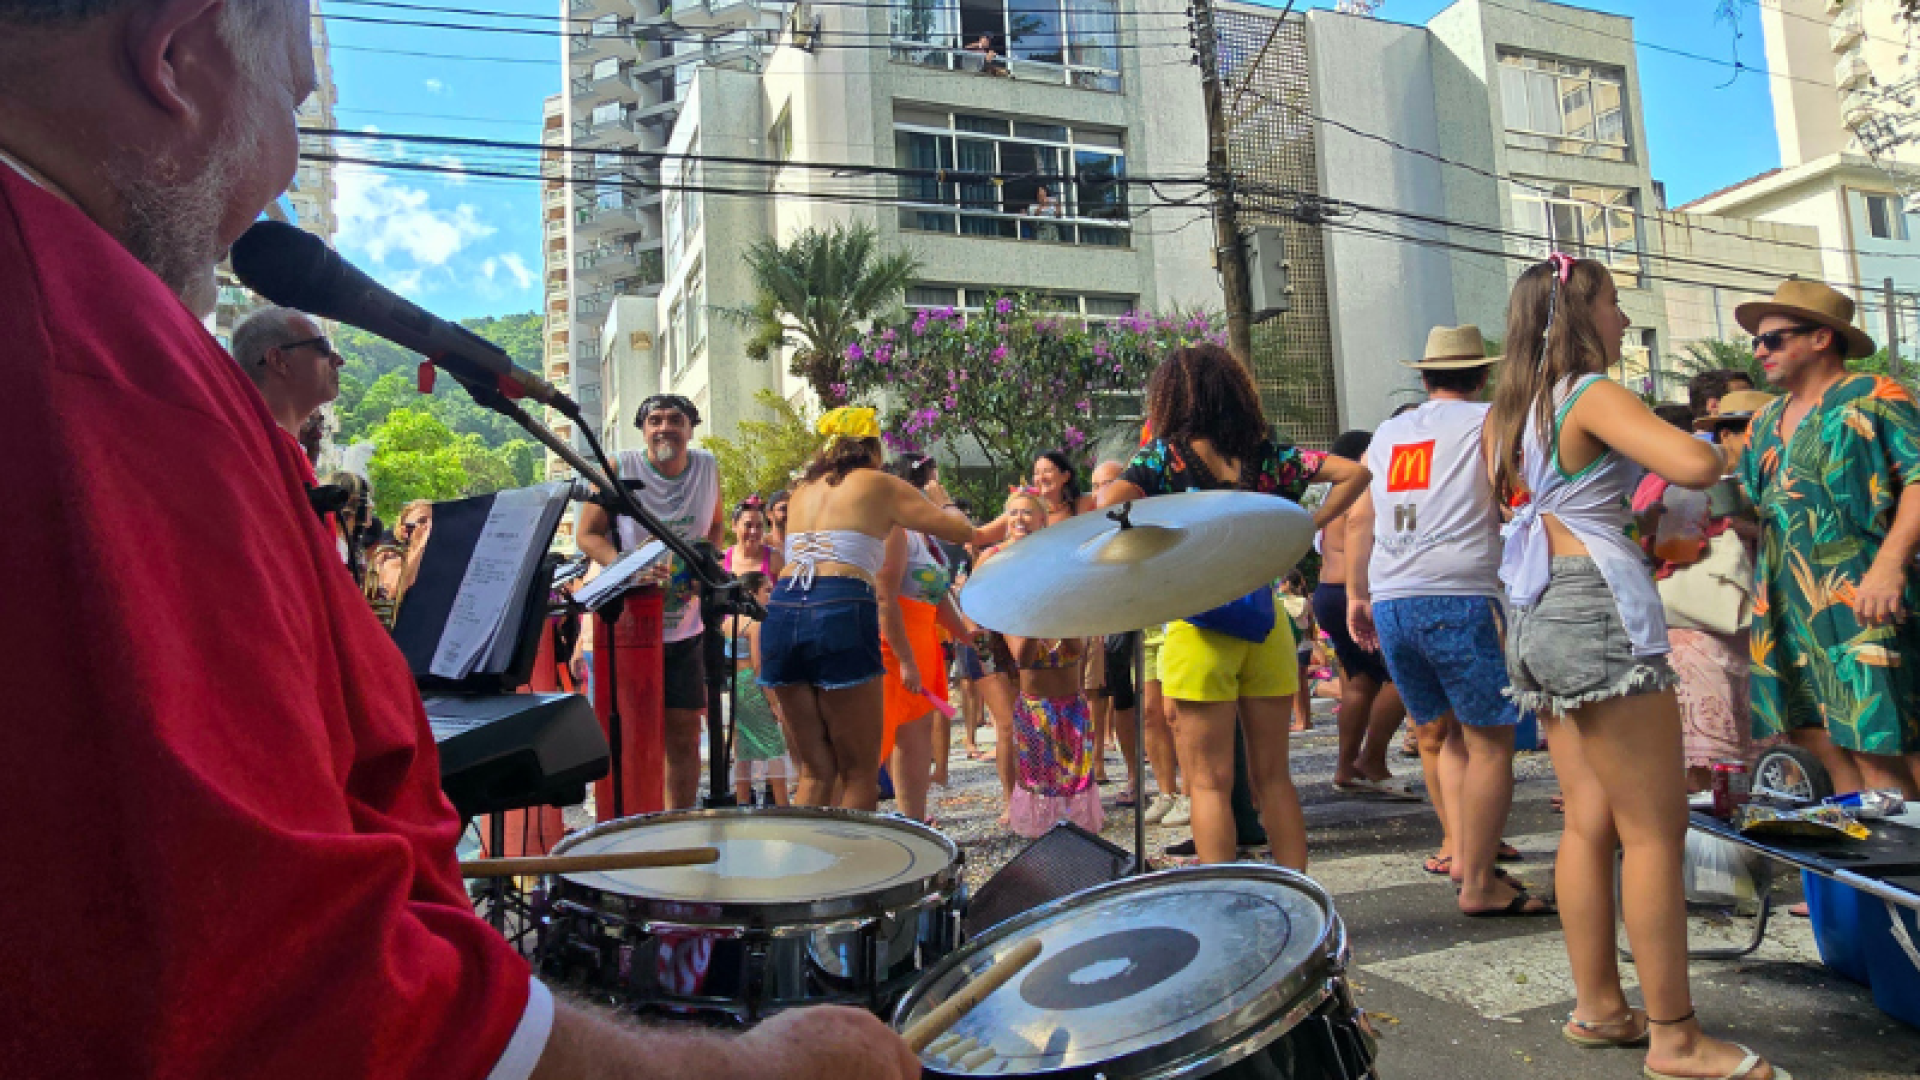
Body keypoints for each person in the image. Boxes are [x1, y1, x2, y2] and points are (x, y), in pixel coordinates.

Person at [0, 2, 917, 1078]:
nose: (284, 168)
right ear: (171, 56)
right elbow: (276, 980)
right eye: (293, 101)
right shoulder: (92, 355)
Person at [1490, 254, 1785, 1080]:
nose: (1624, 321)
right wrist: (1719, 433)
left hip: (1535, 607)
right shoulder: (1590, 393)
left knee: (1588, 820)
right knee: (1656, 830)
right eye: (1617, 306)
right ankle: (1677, 1038)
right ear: (1580, 317)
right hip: (1596, 603)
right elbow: (1695, 470)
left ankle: (1600, 1007)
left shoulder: (1511, 409)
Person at [1100, 343, 1370, 868]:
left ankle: (1223, 900)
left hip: (1198, 624)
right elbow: (1355, 474)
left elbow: (1109, 504)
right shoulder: (1266, 457)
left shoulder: (1163, 458)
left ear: (1171, 398)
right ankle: (1300, 897)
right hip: (1263, 621)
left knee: (1207, 783)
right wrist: (1307, 525)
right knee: (1273, 779)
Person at [1347, 325, 1540, 918]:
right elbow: (1516, 494)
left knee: (1446, 735)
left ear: (1425, 377)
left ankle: (1461, 853)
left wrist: (1357, 594)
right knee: (1489, 743)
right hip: (1458, 592)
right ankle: (1480, 881)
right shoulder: (1491, 421)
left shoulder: (1388, 433)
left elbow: (1361, 516)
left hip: (1392, 595)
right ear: (1483, 375)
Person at [1735, 279, 1920, 797]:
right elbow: (1764, 507)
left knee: (1880, 749)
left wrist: (1891, 563)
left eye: (1774, 339)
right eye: (1757, 342)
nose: (1760, 352)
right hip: (1787, 599)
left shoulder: (1875, 395)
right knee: (1819, 746)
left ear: (1821, 338)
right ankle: (1853, 873)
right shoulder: (1764, 420)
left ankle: (1901, 871)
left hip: (1860, 587)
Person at [760, 407, 973, 810]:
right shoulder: (879, 483)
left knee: (815, 770)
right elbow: (963, 532)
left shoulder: (801, 490)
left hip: (785, 607)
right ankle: (853, 871)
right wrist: (943, 503)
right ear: (872, 447)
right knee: (857, 772)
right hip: (838, 605)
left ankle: (810, 869)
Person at [576, 393, 725, 810]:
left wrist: (705, 568)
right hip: (631, 629)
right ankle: (632, 824)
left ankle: (677, 823)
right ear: (642, 429)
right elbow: (586, 534)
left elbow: (715, 527)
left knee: (684, 736)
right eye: (655, 420)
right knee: (634, 737)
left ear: (690, 428)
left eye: (675, 420)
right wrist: (628, 568)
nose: (665, 428)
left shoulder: (707, 467)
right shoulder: (619, 467)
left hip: (687, 627)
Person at [1639, 390, 1775, 792]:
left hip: (1755, 637)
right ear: (1727, 435)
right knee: (1703, 760)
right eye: (1748, 430)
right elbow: (1667, 546)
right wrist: (1728, 522)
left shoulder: (1775, 478)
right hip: (1701, 631)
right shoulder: (1690, 478)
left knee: (1760, 758)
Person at [982, 490, 1105, 837]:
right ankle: (1041, 833)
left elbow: (1075, 647)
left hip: (1072, 708)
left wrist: (1057, 602)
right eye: (1013, 513)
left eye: (1027, 513)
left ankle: (1076, 837)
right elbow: (1022, 656)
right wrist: (1036, 611)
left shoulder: (1061, 584)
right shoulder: (1009, 589)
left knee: (1075, 781)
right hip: (1036, 708)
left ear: (1042, 520)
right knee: (1039, 783)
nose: (1020, 519)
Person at [1312, 430, 1412, 799]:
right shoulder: (1361, 491)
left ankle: (1346, 766)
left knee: (1359, 682)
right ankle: (1372, 758)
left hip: (1328, 591)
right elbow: (1362, 530)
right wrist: (1361, 593)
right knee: (1404, 675)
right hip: (1353, 593)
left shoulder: (1330, 498)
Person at [877, 452, 967, 824]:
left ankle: (912, 820)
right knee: (877, 740)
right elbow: (885, 594)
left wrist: (964, 632)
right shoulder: (894, 528)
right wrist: (944, 502)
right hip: (891, 645)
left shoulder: (922, 533)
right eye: (931, 479)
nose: (935, 485)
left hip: (923, 639)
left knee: (916, 740)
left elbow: (938, 591)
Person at [724, 573, 791, 807]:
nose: (770, 597)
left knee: (742, 748)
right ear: (752, 594)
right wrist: (774, 703)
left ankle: (742, 801)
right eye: (767, 591)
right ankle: (782, 803)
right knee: (773, 746)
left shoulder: (727, 621)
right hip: (753, 686)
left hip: (735, 684)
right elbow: (758, 664)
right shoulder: (756, 624)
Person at [231, 306, 342, 443]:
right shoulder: (251, 448)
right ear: (279, 361)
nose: (339, 361)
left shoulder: (259, 443)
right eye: (323, 347)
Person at [1279, 572, 1316, 733]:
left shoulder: (1288, 602)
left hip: (1296, 645)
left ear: (1288, 584)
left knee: (1296, 686)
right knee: (1303, 684)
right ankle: (1306, 719)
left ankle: (1300, 720)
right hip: (1306, 644)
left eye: (1281, 582)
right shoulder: (1305, 601)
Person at [724, 495, 784, 579]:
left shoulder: (775, 559)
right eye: (748, 525)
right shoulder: (722, 560)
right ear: (734, 525)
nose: (753, 531)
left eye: (759, 526)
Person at [767, 488, 792, 557]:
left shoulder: (801, 544)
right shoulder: (761, 545)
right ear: (769, 514)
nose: (789, 514)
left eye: (792, 509)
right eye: (783, 509)